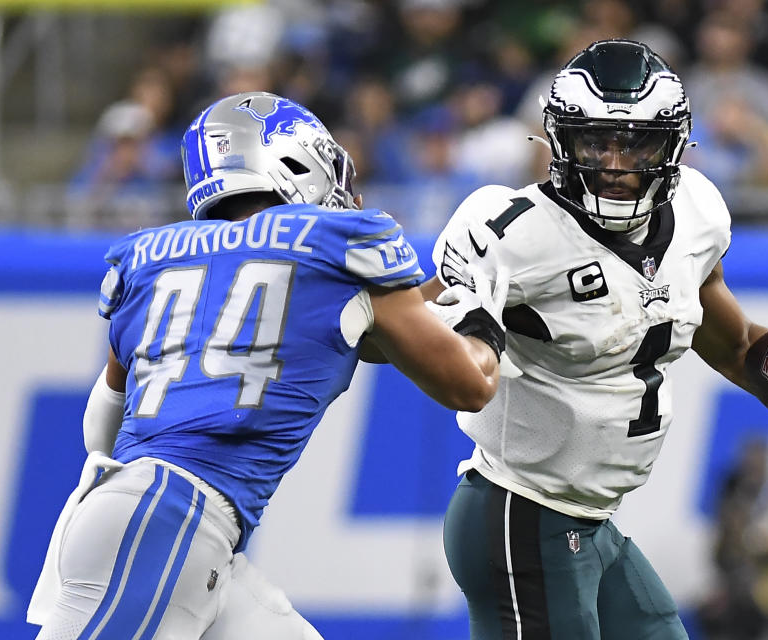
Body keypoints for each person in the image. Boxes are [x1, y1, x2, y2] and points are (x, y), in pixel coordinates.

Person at [422, 40, 768, 639]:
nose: (614, 161)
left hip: (590, 521)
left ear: (671, 144)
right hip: (520, 512)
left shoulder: (696, 211)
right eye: (594, 140)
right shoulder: (517, 233)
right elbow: (411, 326)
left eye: (635, 141)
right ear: (561, 143)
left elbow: (735, 343)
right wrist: (452, 338)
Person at [28, 91, 509, 640]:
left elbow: (102, 431)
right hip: (168, 524)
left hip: (150, 519)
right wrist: (482, 309)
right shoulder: (338, 244)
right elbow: (471, 383)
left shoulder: (147, 257)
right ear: (295, 161)